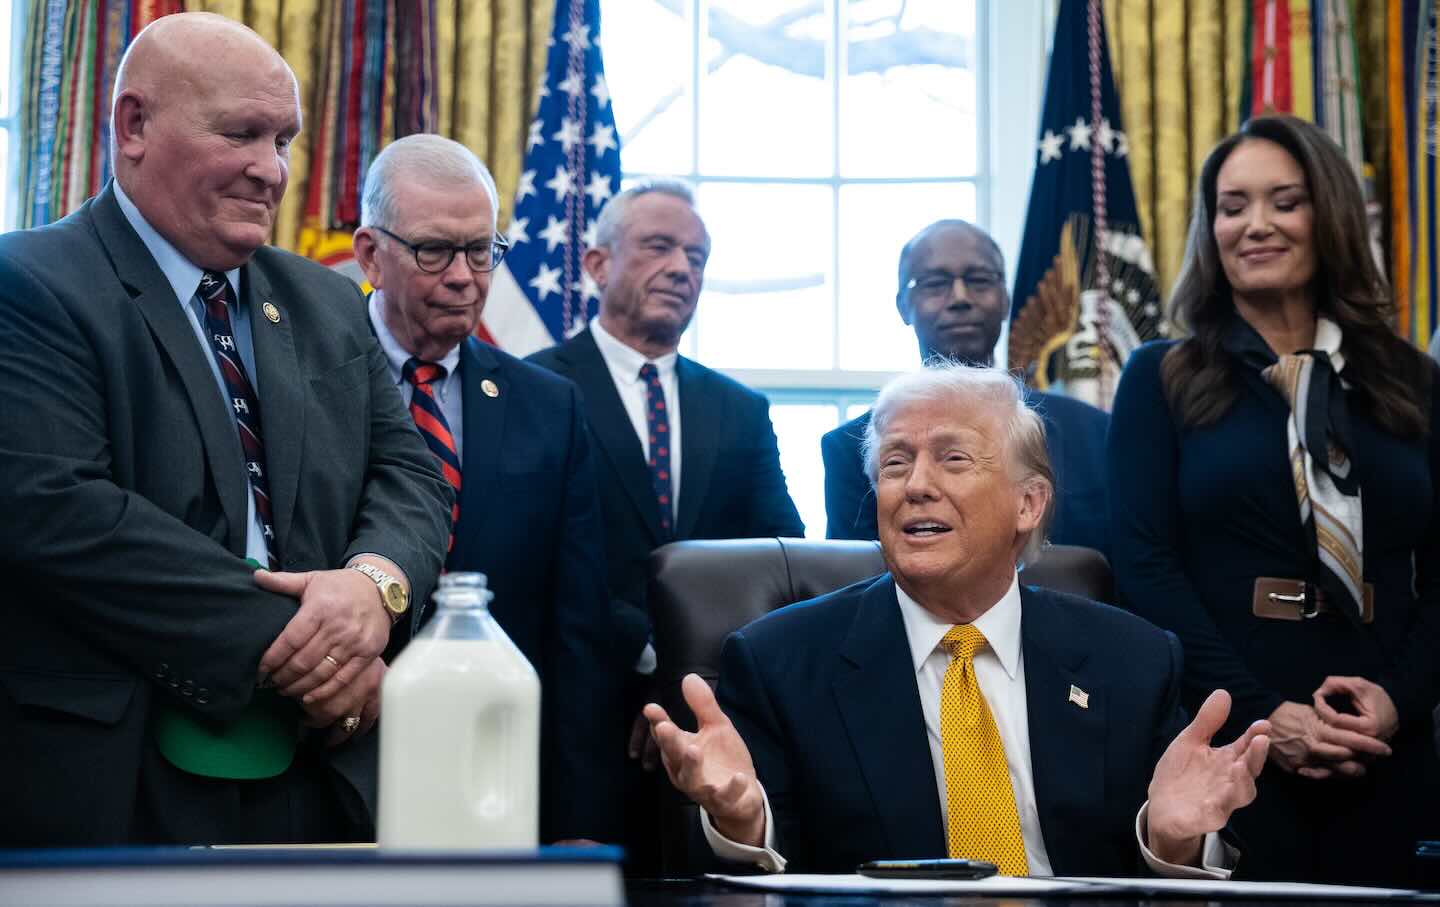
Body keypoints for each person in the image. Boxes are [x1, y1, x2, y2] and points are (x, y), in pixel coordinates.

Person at [0, 13, 451, 846]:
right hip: (115, 785)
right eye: (241, 133)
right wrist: (321, 651)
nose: (271, 169)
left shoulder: (323, 300)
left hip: (327, 779)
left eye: (284, 138)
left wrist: (373, 590)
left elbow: (410, 475)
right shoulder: (28, 283)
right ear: (134, 125)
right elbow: (62, 515)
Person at [644, 363, 1270, 876]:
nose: (915, 485)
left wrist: (1174, 841)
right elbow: (763, 870)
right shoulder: (781, 660)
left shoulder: (1131, 658)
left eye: (953, 459)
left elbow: (1162, 856)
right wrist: (741, 821)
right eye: (894, 463)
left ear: (1029, 503)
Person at [1107, 114, 1440, 886]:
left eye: (1284, 201)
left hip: (1388, 744)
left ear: (1328, 216)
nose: (1255, 224)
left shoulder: (1414, 381)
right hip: (1227, 740)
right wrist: (1264, 713)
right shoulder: (1161, 377)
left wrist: (1396, 699)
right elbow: (1143, 566)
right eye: (1232, 206)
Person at [527, 180, 805, 868]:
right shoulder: (533, 388)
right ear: (596, 265)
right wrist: (650, 660)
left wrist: (688, 676)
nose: (682, 268)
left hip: (713, 724)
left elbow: (782, 558)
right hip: (574, 728)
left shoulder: (740, 409)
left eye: (698, 257)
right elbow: (529, 559)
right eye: (659, 247)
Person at [351, 133, 618, 844]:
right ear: (371, 254)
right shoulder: (308, 377)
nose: (466, 276)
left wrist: (577, 822)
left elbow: (578, 633)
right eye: (435, 250)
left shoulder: (548, 407)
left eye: (482, 251)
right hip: (330, 762)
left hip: (490, 771)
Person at [822, 219, 1109, 555]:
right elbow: (859, 583)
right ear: (903, 306)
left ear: (1005, 300)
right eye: (934, 283)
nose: (960, 297)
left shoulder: (1093, 433)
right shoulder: (849, 447)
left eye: (979, 280)